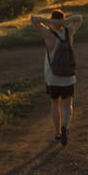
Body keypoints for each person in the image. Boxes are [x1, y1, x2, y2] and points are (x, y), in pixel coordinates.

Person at [30, 8, 83, 146]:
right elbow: (79, 18)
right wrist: (64, 22)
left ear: (53, 20)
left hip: (53, 77)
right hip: (68, 76)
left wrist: (50, 22)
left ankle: (58, 134)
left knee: (55, 104)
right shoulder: (69, 31)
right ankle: (66, 126)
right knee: (67, 104)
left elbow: (33, 19)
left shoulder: (48, 34)